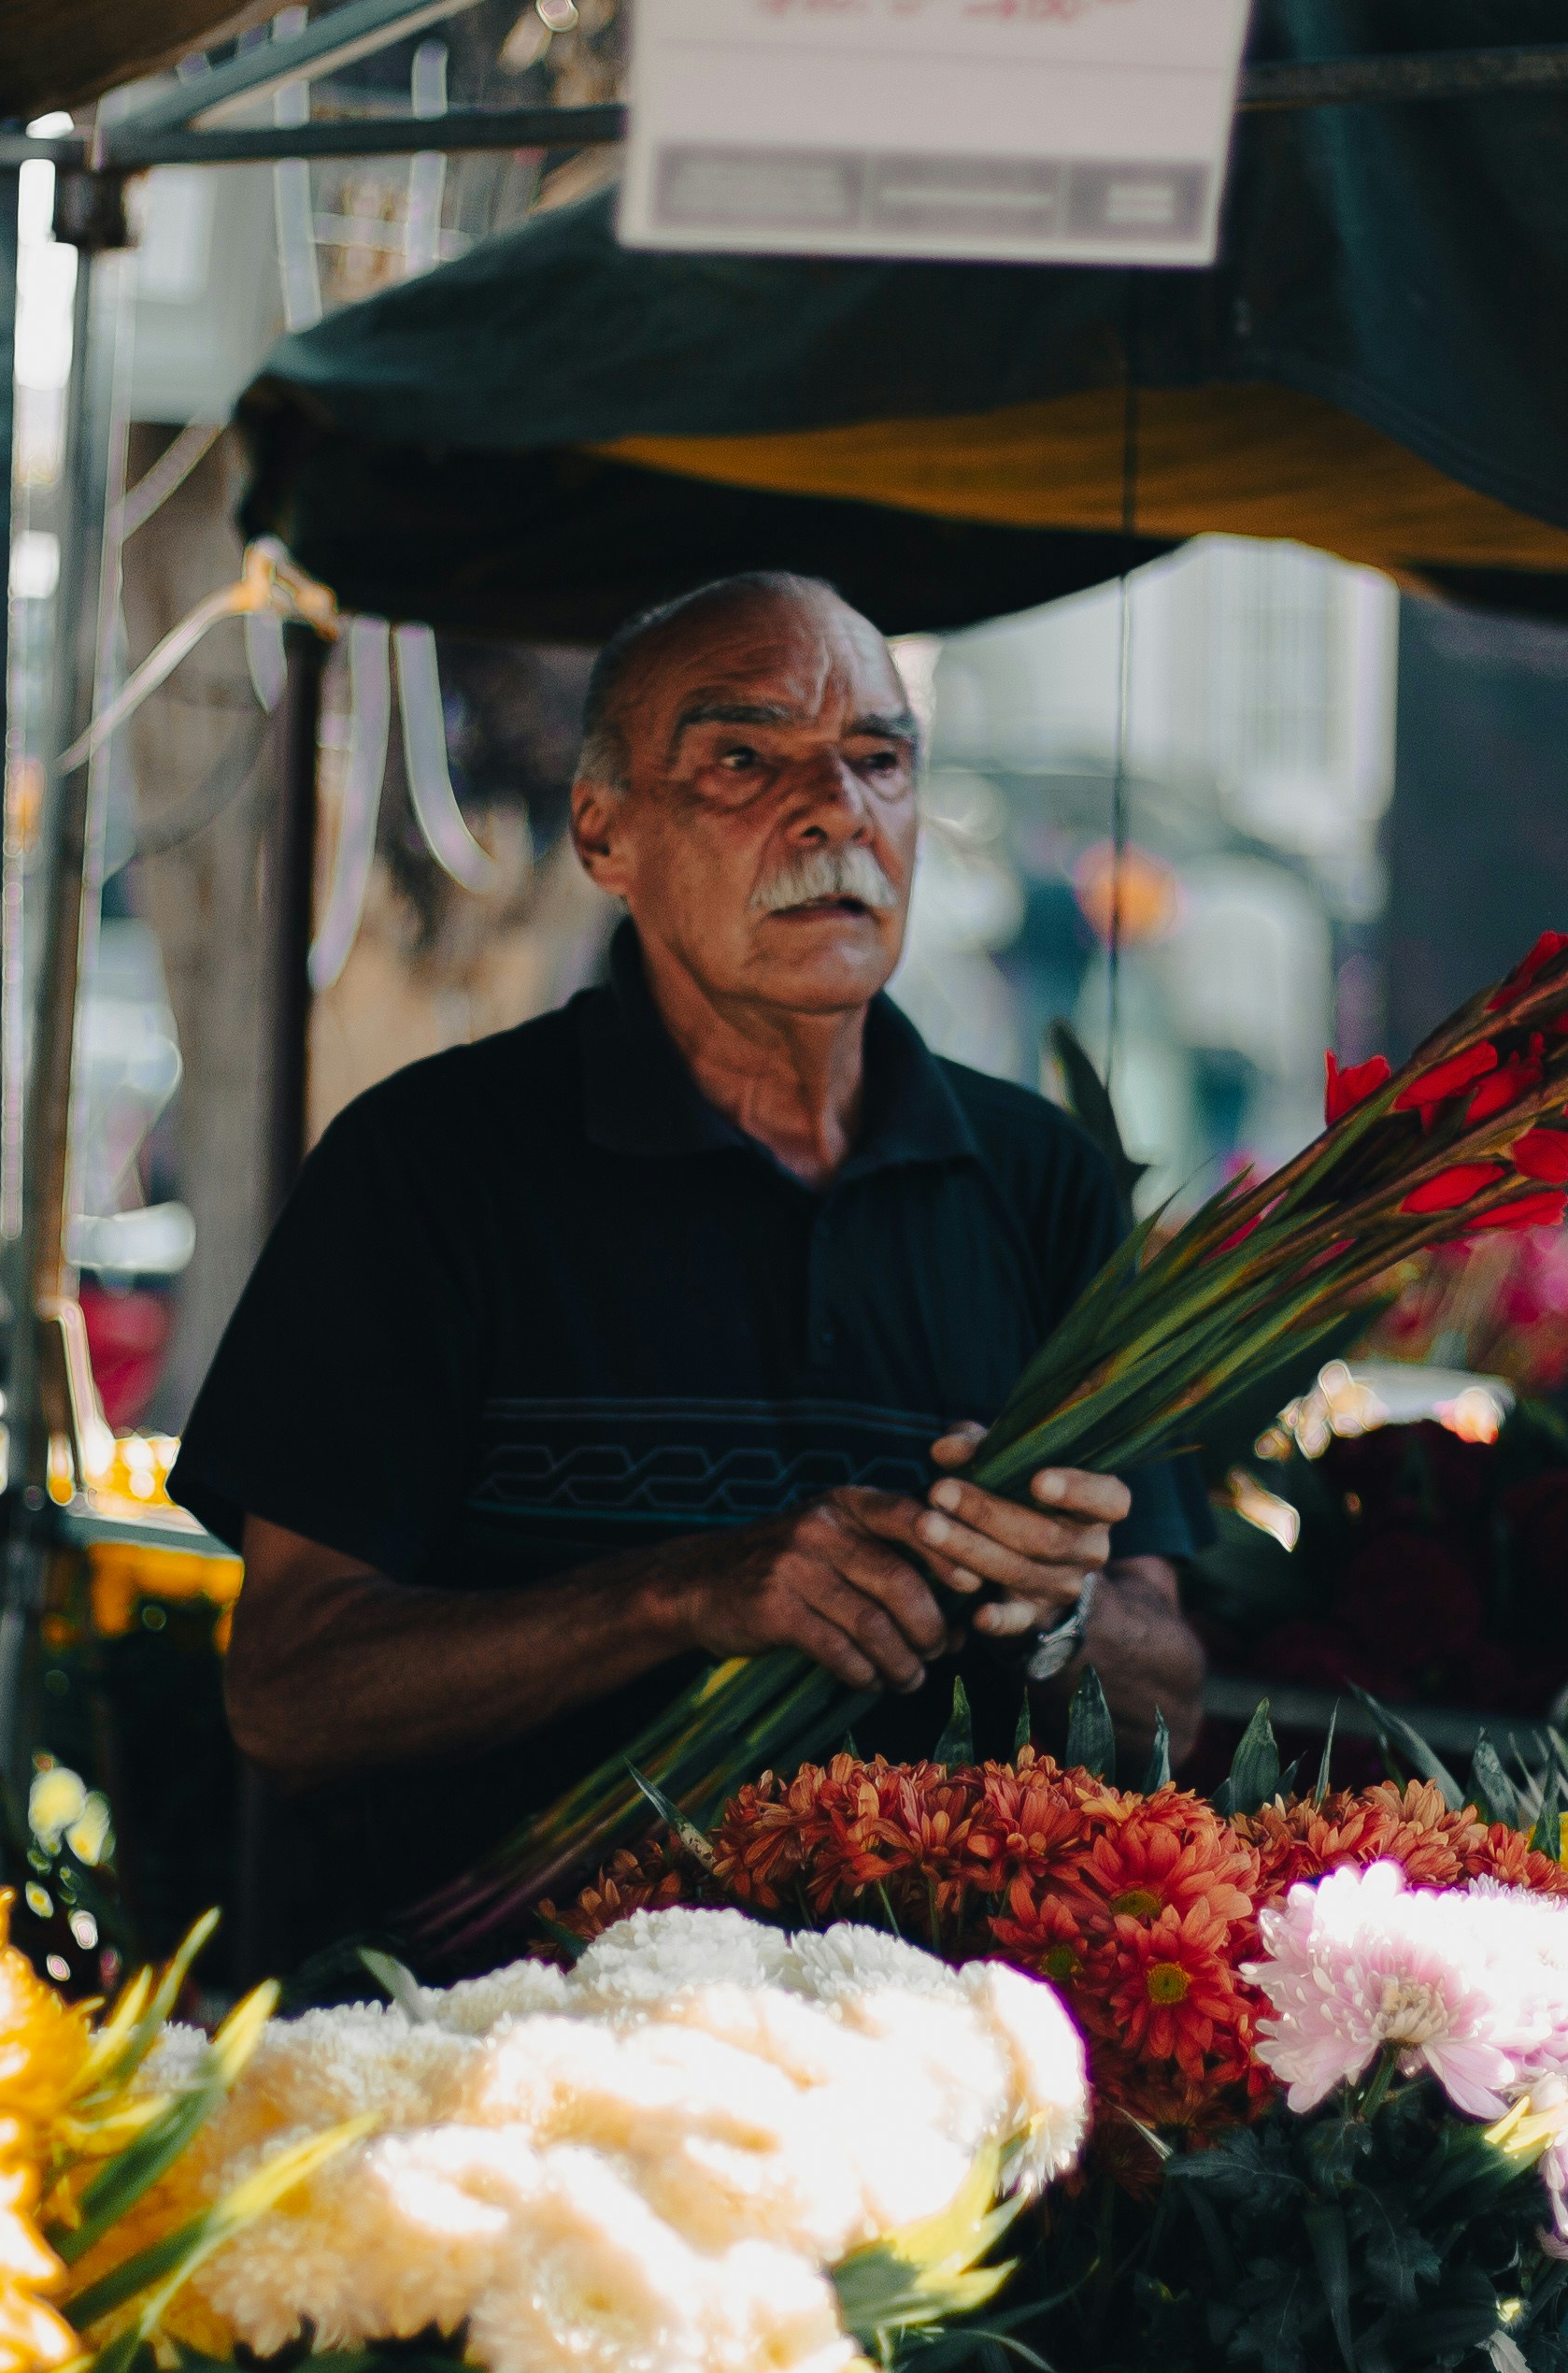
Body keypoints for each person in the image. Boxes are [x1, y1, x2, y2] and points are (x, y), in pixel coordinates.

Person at [178, 571, 1203, 1963]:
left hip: (921, 2060)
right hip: (492, 2055)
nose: (837, 808)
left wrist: (1062, 1613)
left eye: (879, 760)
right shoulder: (427, 1168)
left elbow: (1171, 1697)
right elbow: (289, 1694)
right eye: (743, 758)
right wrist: (676, 1594)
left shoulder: (1048, 1190)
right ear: (607, 832)